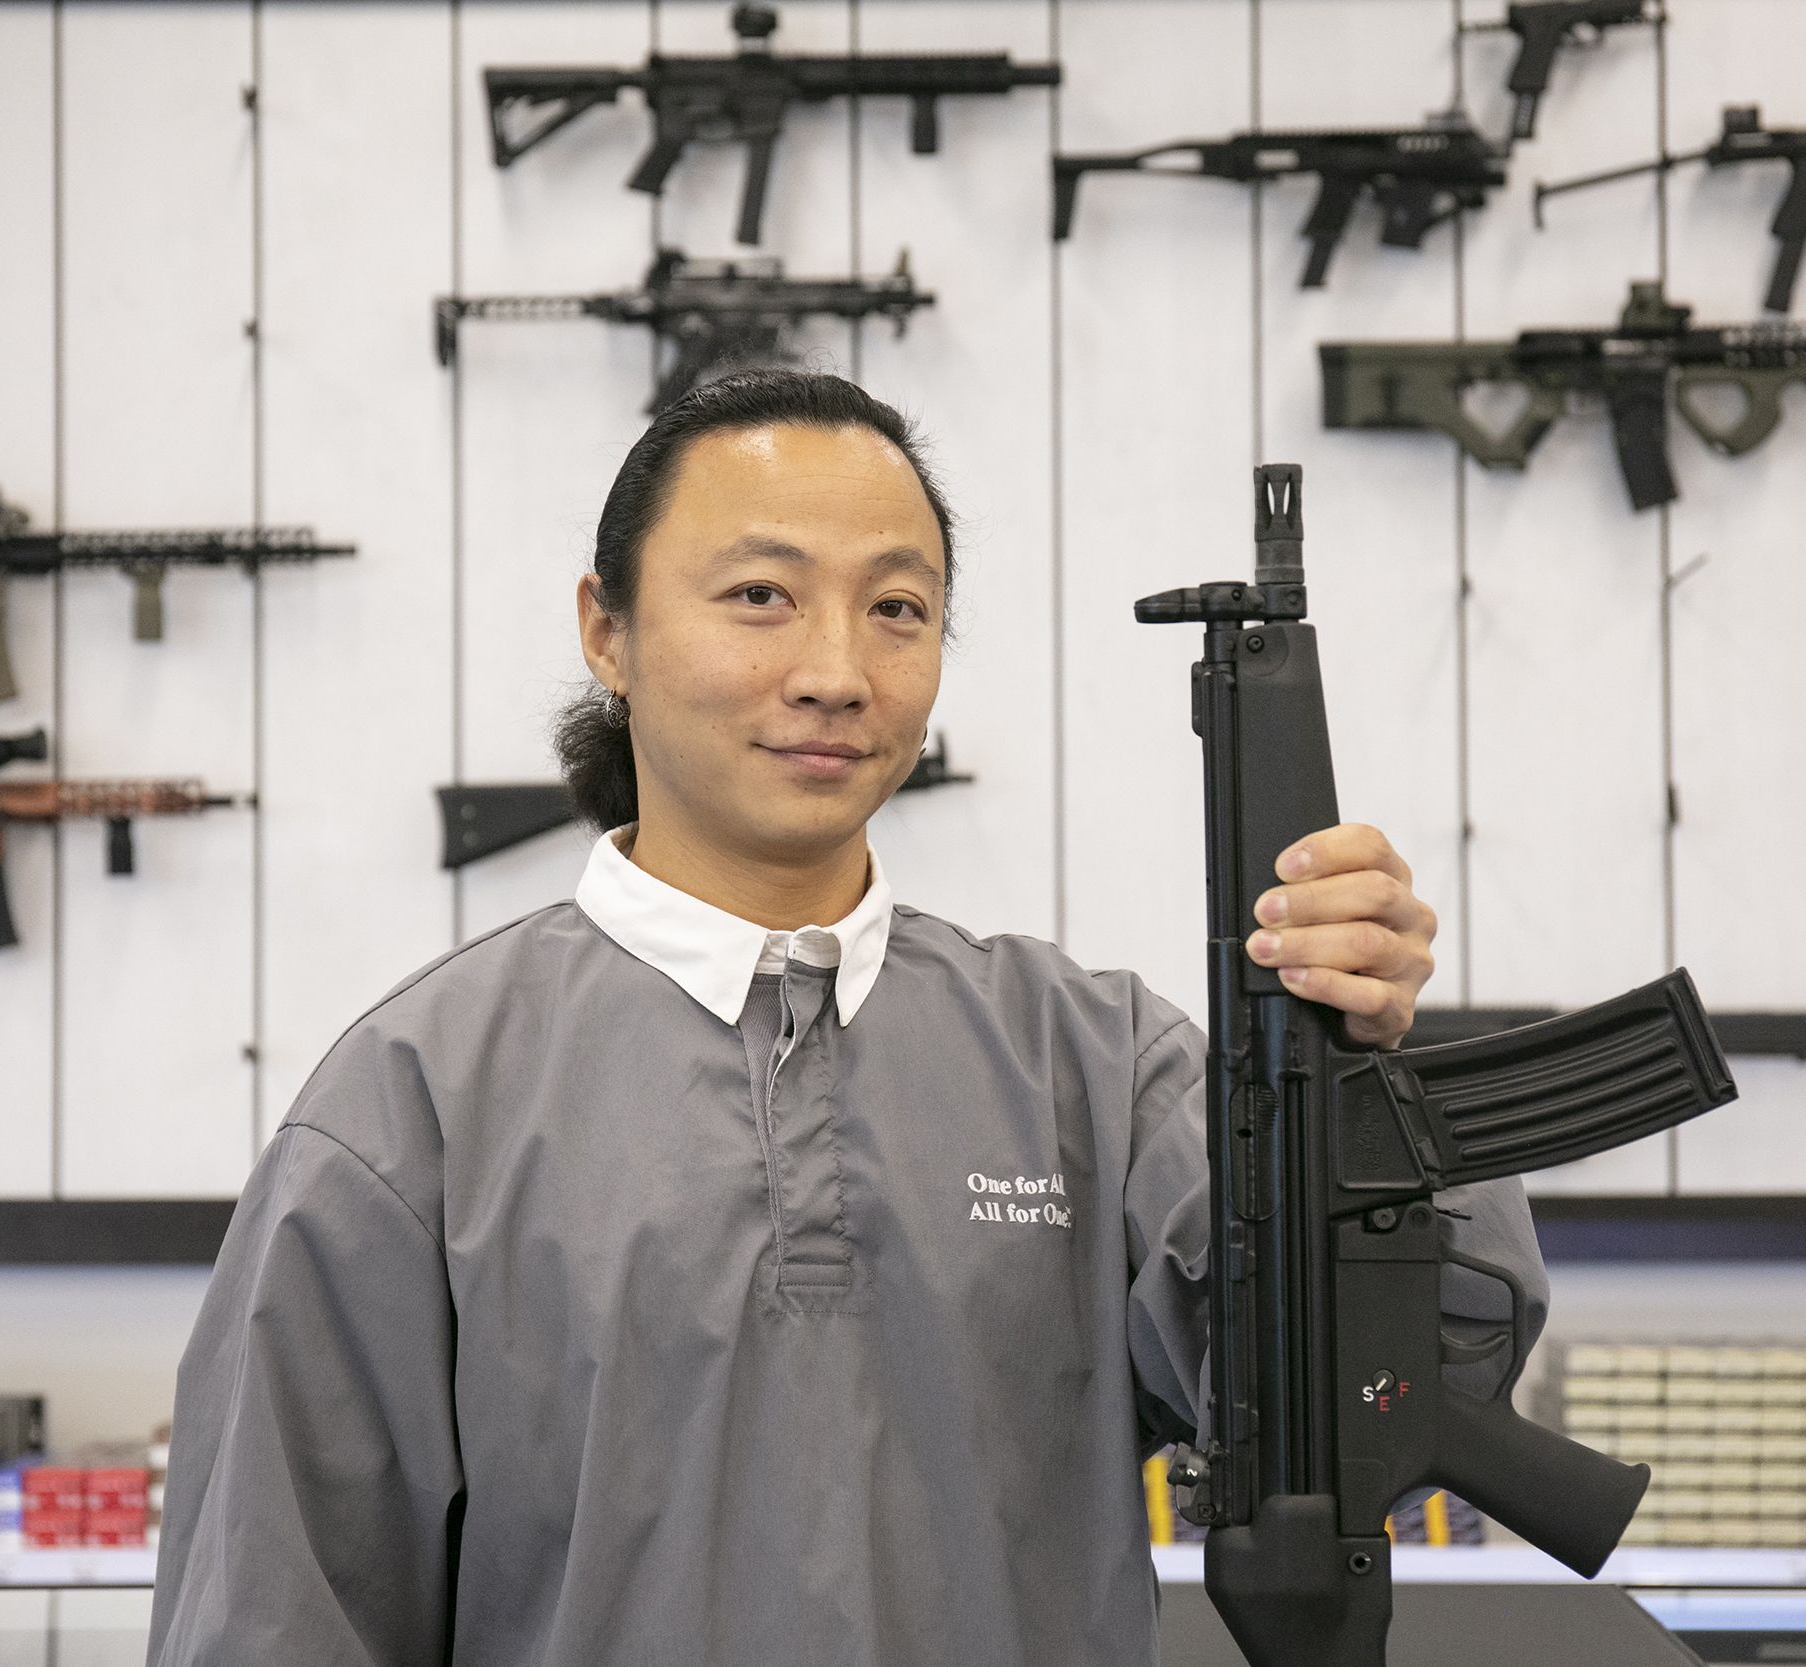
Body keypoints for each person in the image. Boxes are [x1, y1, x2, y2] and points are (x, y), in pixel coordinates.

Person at [148, 370, 1545, 1667]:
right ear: (606, 632)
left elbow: (1397, 1390)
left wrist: (1352, 1069)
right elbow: (274, 1619)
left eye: (897, 608)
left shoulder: (1101, 1067)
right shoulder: (415, 1104)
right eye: (761, 595)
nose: (837, 671)